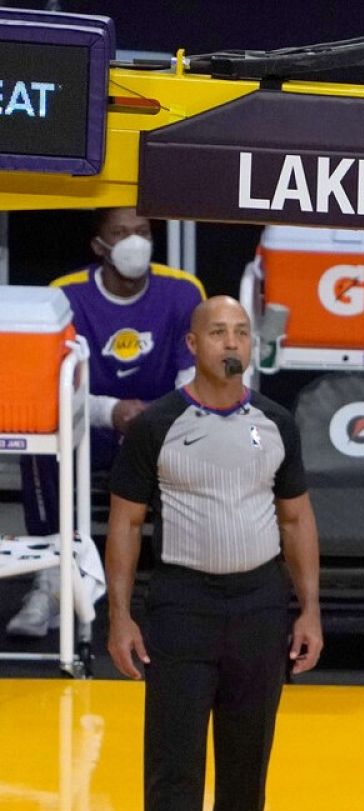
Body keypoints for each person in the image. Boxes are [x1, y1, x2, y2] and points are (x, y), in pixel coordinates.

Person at [104, 296, 323, 811]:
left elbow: (297, 519)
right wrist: (120, 617)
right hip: (183, 607)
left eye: (242, 334)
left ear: (253, 346)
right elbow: (125, 524)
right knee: (174, 768)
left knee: (246, 766)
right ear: (192, 346)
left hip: (258, 607)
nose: (231, 343)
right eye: (218, 333)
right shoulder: (157, 424)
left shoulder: (278, 422)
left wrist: (309, 610)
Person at [7, 207, 204, 638]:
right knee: (42, 440)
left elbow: (193, 378)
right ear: (100, 246)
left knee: (200, 436)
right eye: (121, 232)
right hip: (88, 424)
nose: (135, 241)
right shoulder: (66, 294)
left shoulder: (183, 291)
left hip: (158, 427)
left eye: (143, 231)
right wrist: (110, 412)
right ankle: (52, 580)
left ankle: (181, 594)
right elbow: (52, 380)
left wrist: (154, 415)